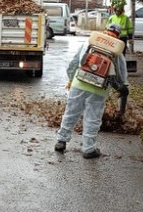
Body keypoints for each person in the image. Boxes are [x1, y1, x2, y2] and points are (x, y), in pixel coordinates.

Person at [55, 23, 130, 159]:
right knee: (93, 118)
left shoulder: (89, 43)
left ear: (105, 31)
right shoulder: (117, 52)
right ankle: (89, 149)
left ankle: (61, 141)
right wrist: (123, 87)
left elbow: (73, 63)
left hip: (79, 83)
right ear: (118, 36)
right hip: (99, 89)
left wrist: (71, 79)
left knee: (71, 112)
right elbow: (121, 75)